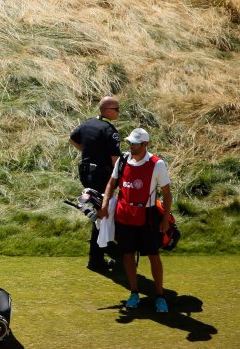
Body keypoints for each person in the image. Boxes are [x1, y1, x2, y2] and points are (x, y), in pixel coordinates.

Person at [99, 128, 172, 313]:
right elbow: (111, 183)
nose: (131, 146)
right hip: (124, 216)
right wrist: (105, 204)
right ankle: (134, 293)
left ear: (145, 144)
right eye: (130, 142)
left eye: (135, 143)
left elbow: (167, 194)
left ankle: (160, 296)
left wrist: (164, 219)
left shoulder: (157, 164)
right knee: (128, 254)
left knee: (154, 256)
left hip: (147, 218)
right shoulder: (123, 160)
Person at [69, 96, 121, 271]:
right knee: (102, 213)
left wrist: (88, 151)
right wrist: (119, 181)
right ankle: (96, 259)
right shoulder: (110, 130)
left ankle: (101, 251)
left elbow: (72, 138)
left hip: (85, 173)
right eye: (116, 109)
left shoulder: (87, 123)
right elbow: (116, 161)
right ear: (106, 110)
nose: (119, 112)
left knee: (98, 212)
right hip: (100, 175)